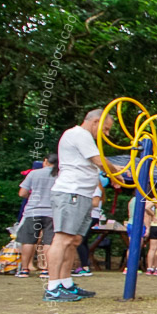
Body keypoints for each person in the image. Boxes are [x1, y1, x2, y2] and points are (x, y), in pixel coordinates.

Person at [45, 109, 116, 302]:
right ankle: (52, 287)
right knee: (63, 238)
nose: (106, 134)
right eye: (106, 129)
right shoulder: (78, 134)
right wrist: (118, 172)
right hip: (71, 192)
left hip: (83, 194)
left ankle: (66, 282)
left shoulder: (85, 138)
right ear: (95, 122)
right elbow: (99, 161)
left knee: (74, 240)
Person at [15, 154, 57, 278]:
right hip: (52, 212)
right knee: (48, 241)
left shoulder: (34, 174)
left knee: (28, 241)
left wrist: (32, 198)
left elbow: (22, 193)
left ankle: (24, 269)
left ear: (45, 161)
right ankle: (46, 269)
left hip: (33, 211)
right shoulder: (60, 176)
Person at [73, 182, 103, 277]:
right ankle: (84, 265)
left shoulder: (95, 188)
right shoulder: (90, 187)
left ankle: (84, 266)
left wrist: (79, 203)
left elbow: (95, 203)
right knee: (83, 241)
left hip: (91, 215)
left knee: (80, 240)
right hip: (88, 215)